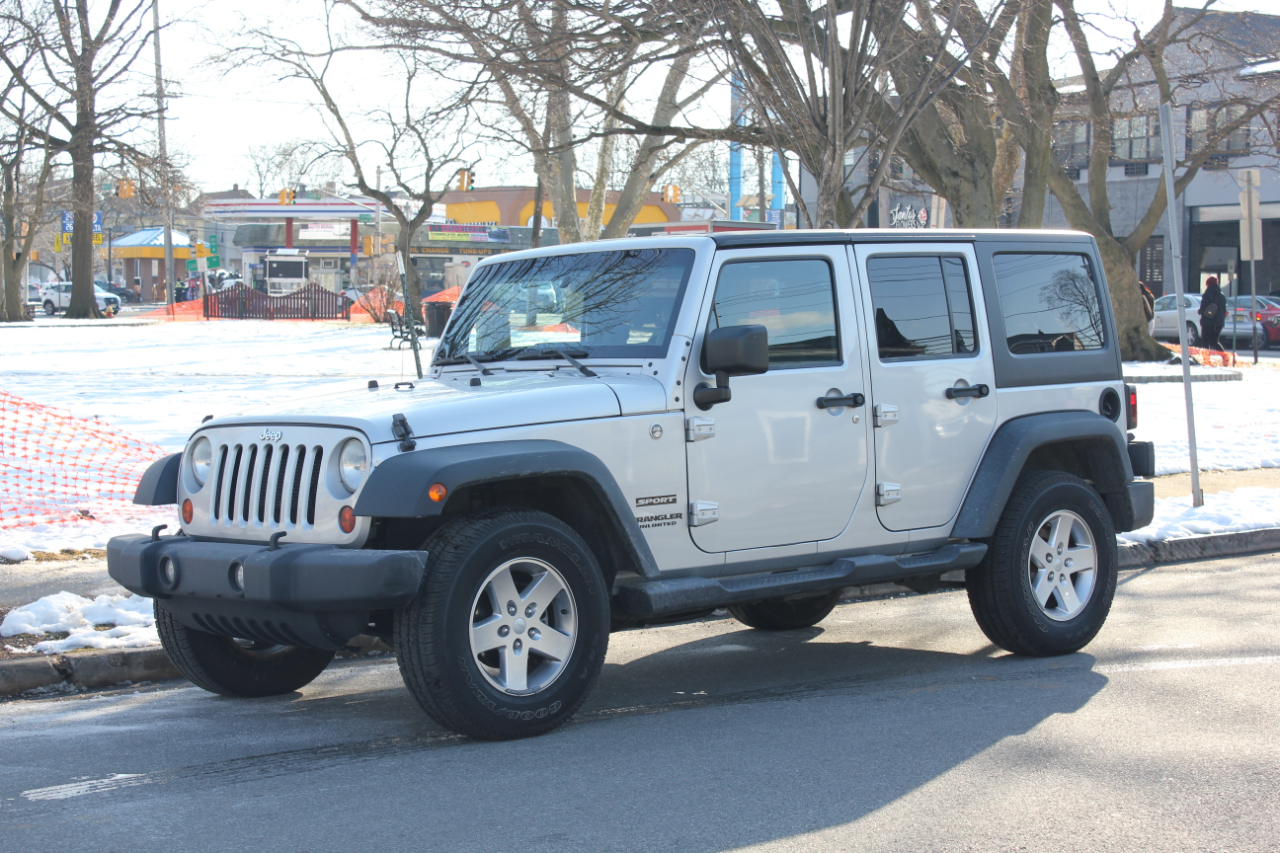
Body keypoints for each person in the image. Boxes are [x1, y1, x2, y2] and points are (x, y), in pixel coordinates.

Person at [1198, 276, 1227, 350]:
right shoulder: (1222, 296)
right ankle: (1225, 357)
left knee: (1205, 343)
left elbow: (1203, 308)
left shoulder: (1207, 295)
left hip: (1208, 322)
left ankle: (1206, 359)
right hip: (1219, 322)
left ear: (1208, 284)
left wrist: (1200, 311)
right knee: (1214, 342)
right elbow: (1224, 310)